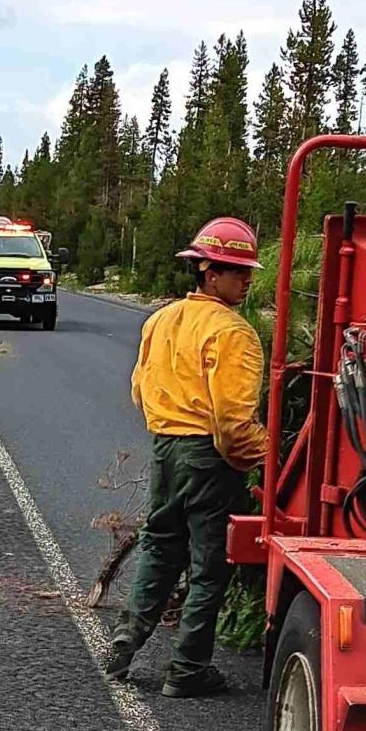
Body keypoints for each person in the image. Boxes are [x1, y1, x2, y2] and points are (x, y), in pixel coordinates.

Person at [103, 215, 266, 698]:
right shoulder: (233, 333)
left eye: (247, 272)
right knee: (210, 563)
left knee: (160, 545)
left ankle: (125, 641)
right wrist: (269, 458)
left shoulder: (160, 320)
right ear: (208, 273)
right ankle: (188, 667)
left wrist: (170, 424)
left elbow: (139, 389)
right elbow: (234, 423)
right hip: (209, 458)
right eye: (237, 272)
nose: (247, 280)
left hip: (166, 448)